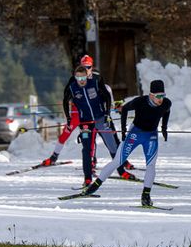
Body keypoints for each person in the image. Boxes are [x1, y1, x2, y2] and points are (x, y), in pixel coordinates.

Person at [81, 79, 172, 207]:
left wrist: (164, 128)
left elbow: (167, 111)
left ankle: (145, 196)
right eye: (158, 96)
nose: (160, 99)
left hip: (151, 135)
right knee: (117, 161)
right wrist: (123, 131)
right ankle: (94, 187)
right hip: (135, 133)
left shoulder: (166, 103)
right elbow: (124, 110)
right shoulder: (140, 101)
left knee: (151, 165)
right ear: (151, 95)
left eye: (162, 95)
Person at [40, 55, 133, 174]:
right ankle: (62, 158)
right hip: (80, 113)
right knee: (81, 136)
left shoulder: (96, 78)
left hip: (98, 113)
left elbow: (106, 95)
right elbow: (66, 97)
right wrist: (68, 115)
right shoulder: (75, 79)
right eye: (83, 67)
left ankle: (122, 161)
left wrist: (109, 111)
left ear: (92, 67)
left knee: (111, 137)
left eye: (88, 67)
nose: (86, 70)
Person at [62, 62, 133, 187]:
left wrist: (106, 114)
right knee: (87, 149)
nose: (81, 81)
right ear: (75, 77)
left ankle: (121, 171)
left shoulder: (95, 82)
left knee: (112, 145)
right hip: (85, 122)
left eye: (83, 78)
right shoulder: (72, 87)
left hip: (100, 118)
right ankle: (87, 179)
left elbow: (106, 96)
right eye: (78, 78)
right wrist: (68, 119)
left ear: (87, 76)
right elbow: (64, 101)